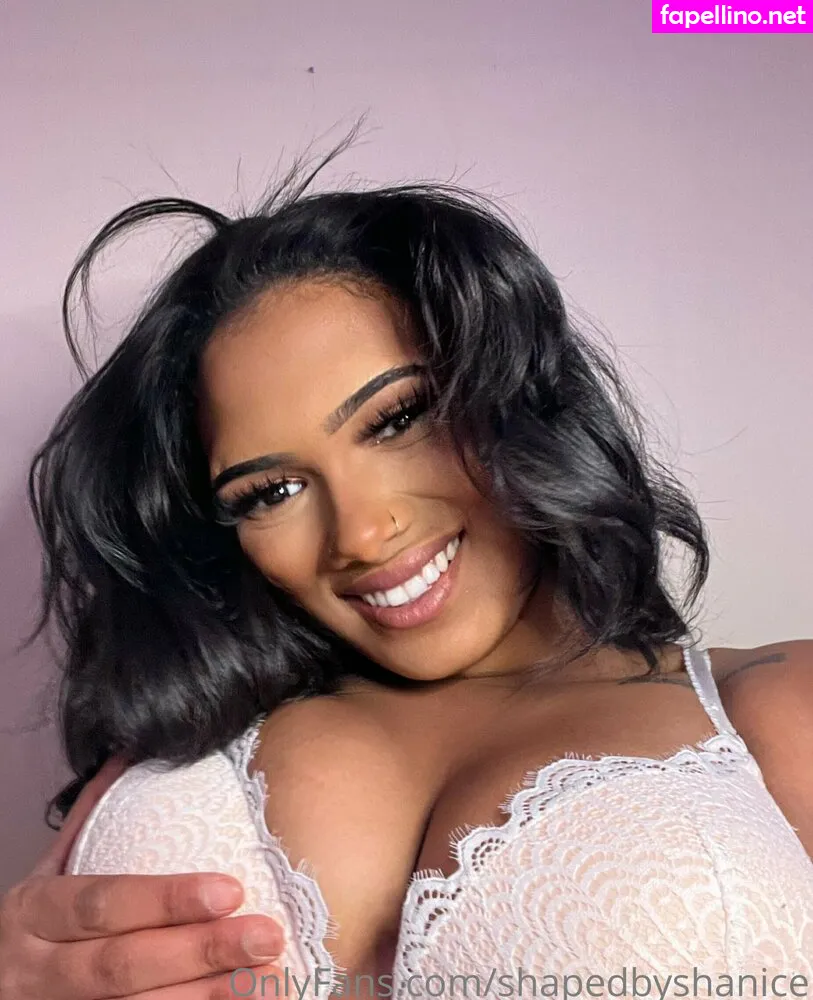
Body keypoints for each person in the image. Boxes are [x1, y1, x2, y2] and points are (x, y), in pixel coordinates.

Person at [1, 134, 811, 999]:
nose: (358, 534)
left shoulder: (776, 711)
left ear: (516, 395)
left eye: (396, 420)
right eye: (271, 490)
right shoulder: (186, 738)